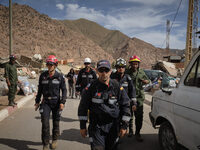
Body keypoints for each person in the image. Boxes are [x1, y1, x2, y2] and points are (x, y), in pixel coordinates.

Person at [78, 60, 131, 150]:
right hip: (96, 127)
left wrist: (124, 125)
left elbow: (125, 105)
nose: (104, 73)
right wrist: (82, 126)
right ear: (97, 71)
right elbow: (83, 107)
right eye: (101, 70)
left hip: (113, 126)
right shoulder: (91, 87)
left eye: (106, 70)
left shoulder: (117, 86)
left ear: (110, 71)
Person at [34, 55, 67, 150]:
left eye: (51, 64)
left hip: (56, 103)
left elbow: (64, 90)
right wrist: (37, 101)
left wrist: (63, 102)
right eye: (48, 64)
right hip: (46, 103)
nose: (50, 66)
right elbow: (40, 89)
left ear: (55, 65)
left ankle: (55, 139)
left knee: (56, 123)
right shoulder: (43, 76)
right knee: (45, 123)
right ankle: (45, 144)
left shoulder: (59, 77)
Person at [110, 58, 137, 137]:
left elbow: (132, 91)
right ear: (116, 68)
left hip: (125, 104)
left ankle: (124, 130)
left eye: (122, 67)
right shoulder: (112, 77)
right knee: (114, 120)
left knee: (125, 119)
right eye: (119, 67)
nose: (121, 69)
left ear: (125, 68)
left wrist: (134, 103)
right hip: (114, 103)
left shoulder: (128, 78)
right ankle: (115, 136)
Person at [126, 55, 150, 142]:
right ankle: (131, 131)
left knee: (139, 117)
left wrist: (145, 81)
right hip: (129, 97)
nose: (134, 66)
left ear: (138, 64)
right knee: (129, 116)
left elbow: (148, 81)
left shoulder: (142, 72)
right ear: (130, 64)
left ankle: (138, 133)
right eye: (133, 64)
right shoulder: (126, 72)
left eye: (136, 64)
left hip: (139, 98)